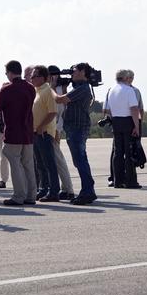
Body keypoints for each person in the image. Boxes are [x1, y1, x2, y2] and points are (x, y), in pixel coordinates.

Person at [0, 60, 37, 206]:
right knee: (28, 164)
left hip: (13, 132)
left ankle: (19, 195)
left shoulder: (6, 90)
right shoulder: (31, 88)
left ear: (10, 73)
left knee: (15, 163)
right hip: (28, 132)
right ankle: (31, 195)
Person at [54, 63, 97, 204]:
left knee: (80, 160)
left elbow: (61, 99)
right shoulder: (78, 88)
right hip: (74, 127)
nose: (71, 73)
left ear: (83, 72)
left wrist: (51, 88)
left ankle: (88, 191)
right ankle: (88, 189)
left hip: (78, 128)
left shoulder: (83, 88)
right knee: (79, 160)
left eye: (74, 71)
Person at [104, 68, 141, 189]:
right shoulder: (129, 90)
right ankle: (130, 181)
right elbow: (134, 109)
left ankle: (117, 180)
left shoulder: (111, 90)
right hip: (127, 121)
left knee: (117, 152)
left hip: (116, 121)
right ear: (125, 78)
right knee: (129, 151)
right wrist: (136, 126)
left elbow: (107, 109)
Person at [30, 66, 60, 202]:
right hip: (36, 132)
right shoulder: (37, 91)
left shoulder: (47, 90)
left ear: (43, 77)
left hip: (44, 132)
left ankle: (53, 191)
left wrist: (41, 126)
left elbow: (53, 112)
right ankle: (44, 189)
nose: (32, 78)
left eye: (35, 76)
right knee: (40, 164)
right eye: (32, 76)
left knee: (49, 163)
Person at [47, 66, 75, 200]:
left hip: (55, 126)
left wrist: (57, 130)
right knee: (55, 160)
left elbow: (61, 108)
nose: (55, 77)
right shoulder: (48, 88)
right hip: (52, 126)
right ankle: (65, 187)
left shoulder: (58, 89)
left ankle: (67, 188)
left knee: (58, 159)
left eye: (56, 75)